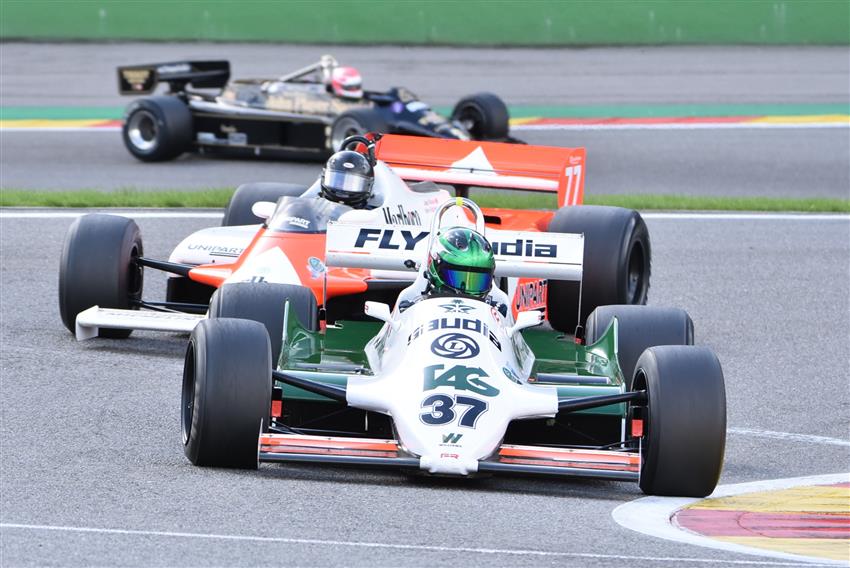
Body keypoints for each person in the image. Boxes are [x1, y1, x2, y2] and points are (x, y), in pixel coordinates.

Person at [396, 226, 509, 316]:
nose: (467, 291)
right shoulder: (409, 309)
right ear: (435, 270)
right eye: (458, 278)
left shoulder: (499, 312)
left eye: (478, 281)